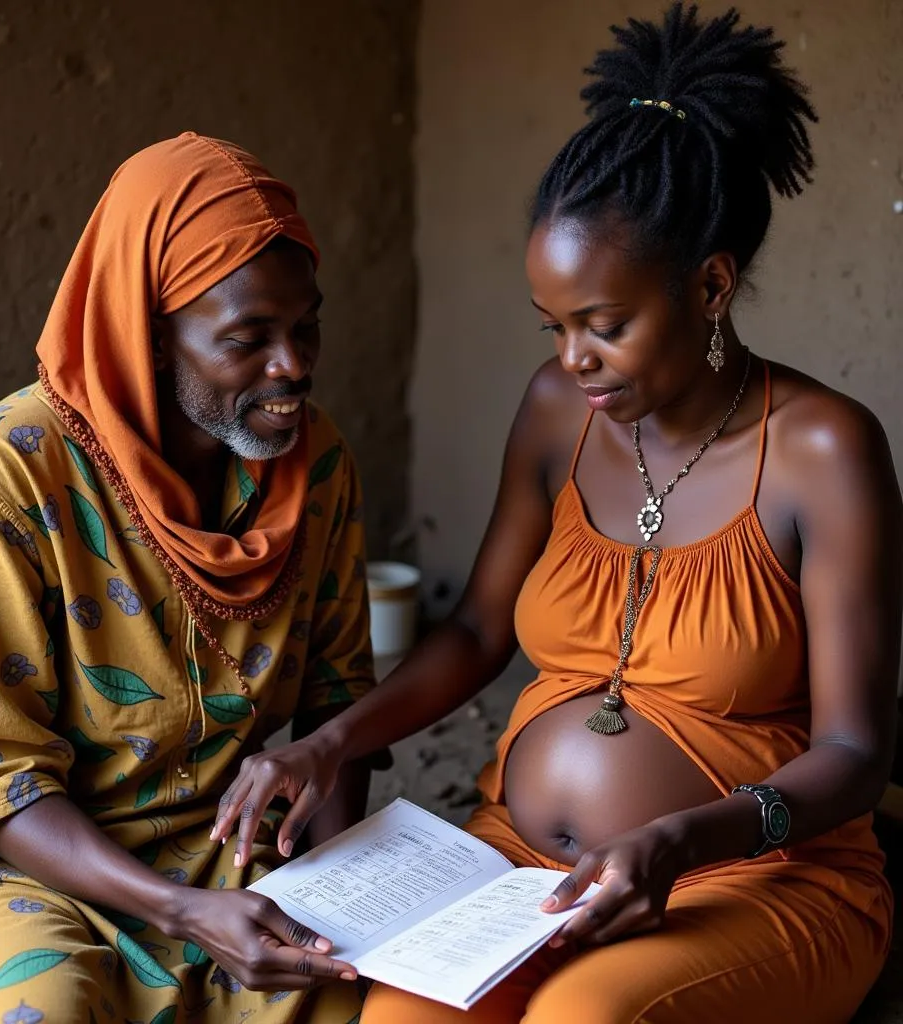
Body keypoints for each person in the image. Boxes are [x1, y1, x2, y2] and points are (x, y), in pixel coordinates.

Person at [211, 6, 901, 1022]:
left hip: (754, 876)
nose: (571, 359)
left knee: (580, 1018)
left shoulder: (822, 452)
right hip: (516, 873)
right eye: (554, 326)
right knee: (394, 1017)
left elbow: (854, 754)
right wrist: (332, 742)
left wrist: (679, 838)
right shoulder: (555, 412)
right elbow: (482, 630)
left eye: (604, 326)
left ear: (709, 285)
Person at [0, 133, 380, 1023]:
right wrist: (184, 912)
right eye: (247, 340)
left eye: (305, 328)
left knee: (373, 998)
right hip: (24, 864)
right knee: (44, 1010)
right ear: (144, 333)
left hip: (232, 848)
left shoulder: (316, 466)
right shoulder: (8, 476)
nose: (293, 368)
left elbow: (336, 706)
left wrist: (341, 896)